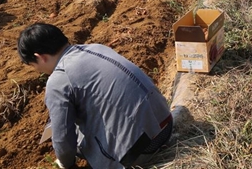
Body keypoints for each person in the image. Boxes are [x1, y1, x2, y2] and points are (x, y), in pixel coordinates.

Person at [18, 23, 172, 169]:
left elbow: (63, 137)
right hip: (165, 125)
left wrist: (66, 164)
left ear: (40, 57)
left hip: (141, 151)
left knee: (80, 137)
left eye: (34, 65)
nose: (38, 70)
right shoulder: (96, 48)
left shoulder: (59, 79)